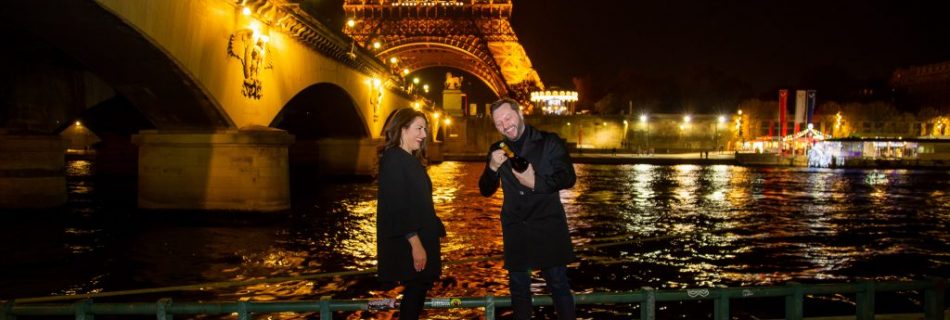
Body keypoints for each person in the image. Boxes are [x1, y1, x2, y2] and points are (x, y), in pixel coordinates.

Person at [478, 98, 577, 319]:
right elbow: (485, 190)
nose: (505, 125)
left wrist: (536, 183)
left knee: (559, 286)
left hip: (547, 226)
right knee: (519, 292)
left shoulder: (549, 142)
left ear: (520, 113)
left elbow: (569, 177)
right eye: (498, 123)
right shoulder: (497, 150)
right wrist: (492, 167)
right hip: (517, 230)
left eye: (508, 117)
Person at [376, 108, 446, 320]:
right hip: (413, 245)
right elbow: (398, 206)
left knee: (416, 295)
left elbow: (416, 202)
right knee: (415, 296)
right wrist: (416, 244)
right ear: (402, 129)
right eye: (419, 128)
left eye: (424, 128)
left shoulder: (405, 159)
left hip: (420, 239)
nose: (424, 135)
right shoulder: (395, 159)